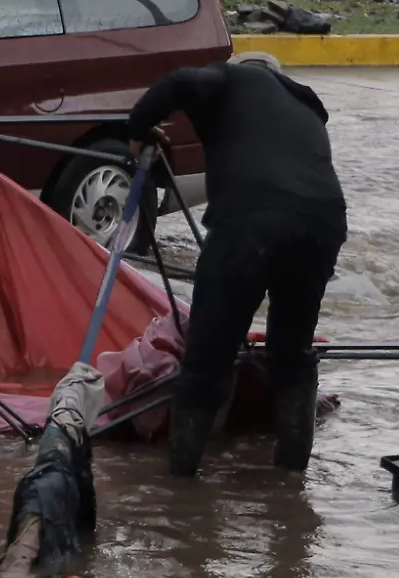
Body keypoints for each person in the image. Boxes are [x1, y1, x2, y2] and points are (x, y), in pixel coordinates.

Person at [127, 51, 347, 477]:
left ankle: (182, 484)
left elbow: (179, 82)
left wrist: (138, 131)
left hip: (251, 223)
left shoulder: (231, 79)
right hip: (322, 224)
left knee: (209, 353)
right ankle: (291, 478)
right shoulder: (305, 105)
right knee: (292, 350)